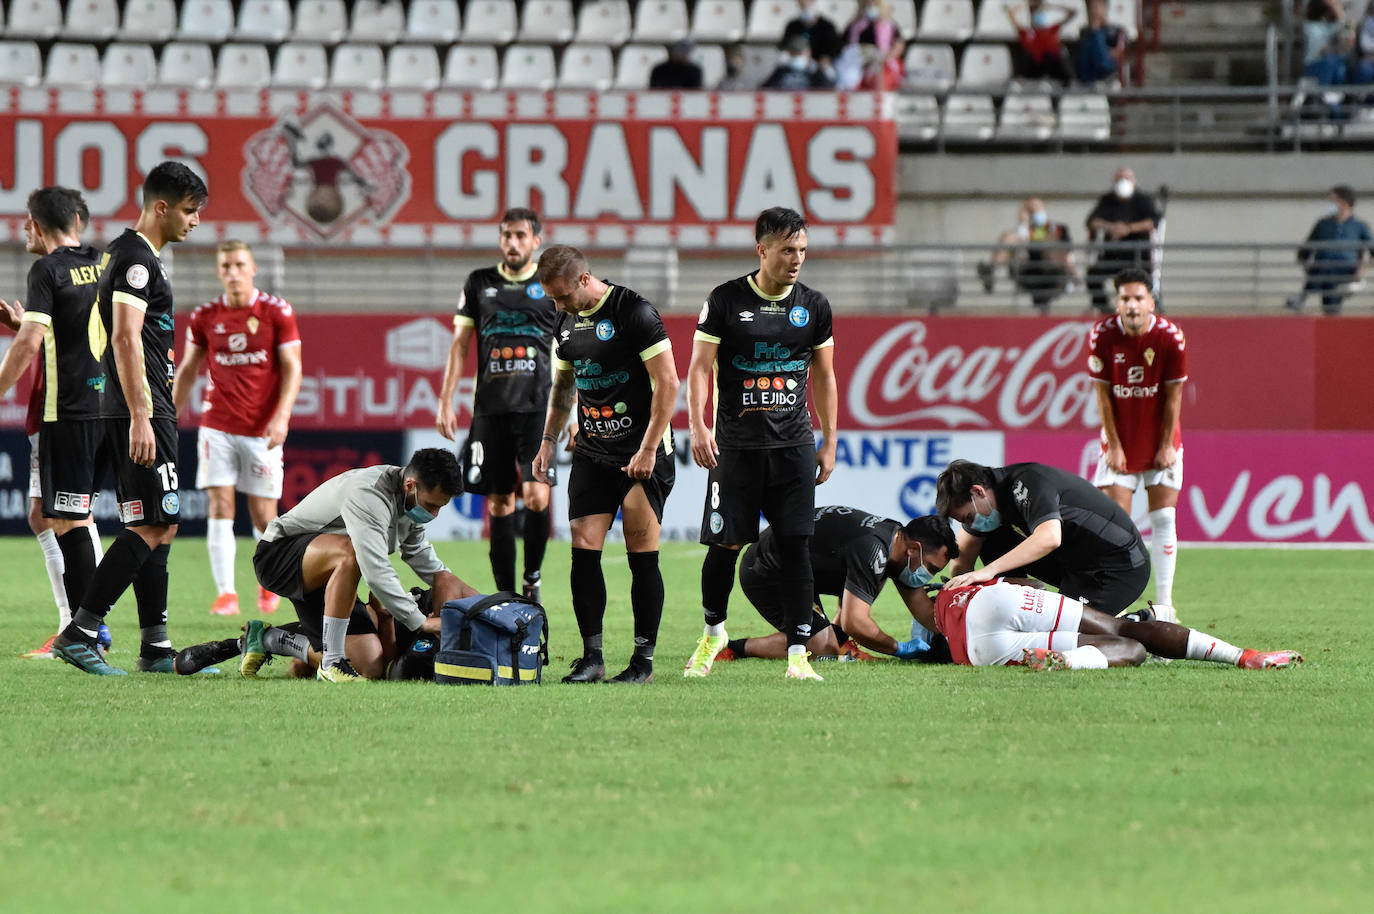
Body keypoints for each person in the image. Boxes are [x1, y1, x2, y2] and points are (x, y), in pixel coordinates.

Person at [49, 161, 208, 676]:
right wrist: (143, 413)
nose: (195, 221)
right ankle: (80, 631)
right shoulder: (136, 259)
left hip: (140, 405)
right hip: (138, 407)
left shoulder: (138, 255)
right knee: (157, 522)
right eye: (189, 210)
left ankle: (155, 647)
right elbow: (123, 336)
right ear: (161, 207)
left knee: (155, 523)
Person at [683, 206, 839, 683]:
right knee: (724, 546)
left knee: (796, 548)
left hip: (793, 448)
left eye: (803, 251)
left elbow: (825, 377)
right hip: (736, 449)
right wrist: (698, 424)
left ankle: (797, 654)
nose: (796, 260)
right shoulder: (726, 300)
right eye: (788, 250)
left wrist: (830, 439)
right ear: (762, 249)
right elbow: (699, 368)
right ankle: (713, 633)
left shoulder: (813, 306)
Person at [530, 245, 680, 684]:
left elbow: (668, 382)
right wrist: (548, 440)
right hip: (593, 450)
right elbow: (563, 386)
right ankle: (592, 658)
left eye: (561, 296)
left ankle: (643, 662)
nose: (556, 306)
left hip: (641, 453)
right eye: (551, 299)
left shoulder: (634, 312)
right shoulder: (563, 321)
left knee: (640, 553)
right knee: (583, 546)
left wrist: (650, 448)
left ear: (583, 279)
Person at [250, 447, 468, 682]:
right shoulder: (369, 495)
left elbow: (420, 554)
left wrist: (474, 603)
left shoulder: (411, 501)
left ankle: (268, 638)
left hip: (331, 578)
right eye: (432, 505)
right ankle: (332, 662)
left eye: (440, 507)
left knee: (370, 666)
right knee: (351, 552)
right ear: (410, 485)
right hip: (279, 557)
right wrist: (421, 621)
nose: (434, 515)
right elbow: (375, 571)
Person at [0, 187, 105, 658]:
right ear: (77, 222)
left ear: (38, 226)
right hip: (101, 405)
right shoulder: (102, 265)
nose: (23, 229)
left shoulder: (46, 269)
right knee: (48, 512)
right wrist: (23, 324)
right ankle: (75, 624)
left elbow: (29, 346)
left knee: (69, 513)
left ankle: (85, 625)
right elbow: (79, 331)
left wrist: (24, 335)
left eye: (26, 221)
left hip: (60, 410)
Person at [171, 240, 302, 617]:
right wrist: (169, 418)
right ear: (219, 271)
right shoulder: (205, 316)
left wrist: (282, 416)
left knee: (264, 515)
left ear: (253, 269)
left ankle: (268, 586)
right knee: (220, 506)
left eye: (239, 264)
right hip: (218, 426)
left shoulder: (276, 312)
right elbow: (189, 370)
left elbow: (293, 367)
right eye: (225, 265)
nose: (232, 272)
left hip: (262, 430)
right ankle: (226, 593)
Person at [435, 208, 555, 601]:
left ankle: (532, 579)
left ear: (536, 240)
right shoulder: (479, 283)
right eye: (507, 235)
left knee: (536, 495)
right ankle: (506, 595)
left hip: (538, 407)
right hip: (490, 409)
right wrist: (446, 399)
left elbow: (569, 348)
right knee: (500, 502)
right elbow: (460, 345)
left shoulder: (550, 282)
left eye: (521, 235)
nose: (513, 243)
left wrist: (570, 411)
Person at [715, 508, 958, 663]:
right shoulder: (874, 550)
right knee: (822, 647)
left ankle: (839, 640)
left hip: (797, 569)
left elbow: (925, 612)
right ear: (914, 549)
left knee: (870, 583)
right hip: (767, 570)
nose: (928, 575)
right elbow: (856, 622)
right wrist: (898, 648)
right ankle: (733, 648)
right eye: (931, 567)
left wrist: (956, 639)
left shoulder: (895, 542)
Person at [922, 575, 1301, 671]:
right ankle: (1242, 656)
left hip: (974, 652)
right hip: (997, 597)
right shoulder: (963, 585)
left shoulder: (938, 620)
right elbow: (1031, 585)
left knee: (1124, 649)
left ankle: (1068, 662)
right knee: (1127, 637)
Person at [1089, 268, 1187, 622]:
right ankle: (1117, 605)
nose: (1131, 305)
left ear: (1151, 303)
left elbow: (1174, 396)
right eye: (1125, 298)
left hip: (1160, 437)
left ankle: (1165, 606)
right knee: (1115, 525)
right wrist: (1114, 446)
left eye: (1138, 298)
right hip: (1120, 441)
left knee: (1163, 517)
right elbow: (1103, 397)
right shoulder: (1102, 335)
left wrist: (1165, 446)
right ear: (1117, 303)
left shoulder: (1171, 338)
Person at [935, 458, 1150, 617]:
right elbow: (961, 561)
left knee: (1067, 633)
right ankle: (1016, 604)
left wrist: (988, 571)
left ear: (978, 492)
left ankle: (1144, 621)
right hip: (1075, 564)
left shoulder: (1028, 482)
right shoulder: (992, 504)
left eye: (969, 517)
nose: (970, 525)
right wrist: (958, 598)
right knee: (988, 537)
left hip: (1120, 566)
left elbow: (1050, 538)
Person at [976, 197, 1078, 313]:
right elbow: (1019, 248)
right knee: (1009, 237)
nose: (1033, 212)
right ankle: (990, 270)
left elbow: (1066, 251)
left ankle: (1058, 288)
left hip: (1053, 270)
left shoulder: (1058, 228)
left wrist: (1073, 274)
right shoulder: (1021, 232)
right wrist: (1023, 227)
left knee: (1050, 238)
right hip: (1027, 269)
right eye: (1029, 210)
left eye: (1035, 208)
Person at [1286, 185, 1374, 314]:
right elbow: (1305, 251)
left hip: (1345, 270)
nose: (1330, 205)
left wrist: (1362, 270)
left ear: (1344, 203)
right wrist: (1307, 268)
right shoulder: (1322, 224)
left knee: (1326, 271)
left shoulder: (1359, 226)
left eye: (1333, 201)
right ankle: (1329, 316)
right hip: (1322, 271)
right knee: (1330, 302)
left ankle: (1302, 297)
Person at [1085, 167, 1161, 313]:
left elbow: (1153, 221)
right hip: (1112, 255)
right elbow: (1092, 221)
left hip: (1137, 256)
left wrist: (1128, 228)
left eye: (1127, 178)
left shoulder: (1143, 200)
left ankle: (1137, 310)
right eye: (1119, 178)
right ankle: (1104, 310)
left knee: (1140, 282)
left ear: (1134, 181)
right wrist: (1111, 227)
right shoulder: (1107, 200)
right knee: (1093, 275)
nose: (1123, 182)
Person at [1006, 0, 1074, 85]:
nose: (1037, 15)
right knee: (1027, 55)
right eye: (1034, 13)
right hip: (1036, 68)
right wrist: (1026, 4)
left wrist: (1052, 6)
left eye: (1039, 12)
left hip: (1053, 67)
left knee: (1055, 55)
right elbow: (1011, 14)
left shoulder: (1051, 30)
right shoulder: (1027, 33)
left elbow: (1072, 13)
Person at [780, 0, 843, 75]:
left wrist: (824, 61)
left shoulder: (827, 27)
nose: (805, 5)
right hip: (795, 69)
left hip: (819, 70)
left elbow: (834, 50)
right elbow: (784, 48)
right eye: (801, 3)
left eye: (808, 2)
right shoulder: (792, 26)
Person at [1074, 0, 1128, 86]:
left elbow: (1117, 52)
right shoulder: (1085, 31)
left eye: (1097, 7)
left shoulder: (1117, 30)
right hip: (1088, 70)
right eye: (1092, 8)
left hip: (1107, 68)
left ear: (1105, 8)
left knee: (1097, 37)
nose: (1094, 11)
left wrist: (1096, 32)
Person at [762, 34, 837, 90]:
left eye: (799, 53)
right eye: (793, 53)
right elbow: (764, 89)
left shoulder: (815, 70)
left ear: (808, 53)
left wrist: (818, 72)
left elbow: (828, 91)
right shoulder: (782, 70)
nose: (796, 56)